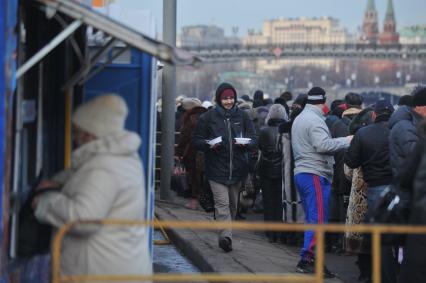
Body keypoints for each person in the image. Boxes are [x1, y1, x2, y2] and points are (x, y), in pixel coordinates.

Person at [33, 94, 152, 281]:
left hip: (99, 273)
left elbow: (84, 219)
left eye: (77, 131)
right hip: (118, 268)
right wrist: (60, 182)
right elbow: (86, 175)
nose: (74, 137)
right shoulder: (121, 157)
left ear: (90, 133)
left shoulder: (104, 167)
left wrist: (45, 200)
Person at [291, 87, 351, 277]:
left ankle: (311, 260)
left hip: (303, 173)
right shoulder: (315, 119)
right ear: (323, 102)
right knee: (318, 220)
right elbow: (322, 145)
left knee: (312, 219)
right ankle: (307, 260)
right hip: (314, 174)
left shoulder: (300, 117)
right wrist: (347, 140)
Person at [193, 83, 257, 252]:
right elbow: (197, 140)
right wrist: (209, 145)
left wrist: (246, 144)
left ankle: (226, 230)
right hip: (216, 169)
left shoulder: (243, 117)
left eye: (231, 98)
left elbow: (254, 139)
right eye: (225, 98)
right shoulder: (208, 117)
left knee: (232, 206)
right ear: (219, 99)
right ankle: (225, 237)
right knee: (222, 204)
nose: (228, 101)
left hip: (237, 170)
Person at [345, 100, 396, 283]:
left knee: (373, 234)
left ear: (374, 115)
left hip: (374, 187)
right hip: (398, 188)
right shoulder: (399, 131)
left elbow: (351, 161)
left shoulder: (363, 133)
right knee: (395, 234)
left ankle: (371, 274)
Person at [257, 104, 287, 242]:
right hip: (282, 170)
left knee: (268, 201)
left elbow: (260, 147)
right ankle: (279, 231)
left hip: (266, 169)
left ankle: (270, 232)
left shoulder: (264, 130)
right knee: (279, 202)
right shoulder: (286, 131)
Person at [176, 98, 207, 209]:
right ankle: (204, 201)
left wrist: (179, 152)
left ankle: (194, 202)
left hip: (191, 152)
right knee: (202, 177)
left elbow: (184, 137)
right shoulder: (207, 116)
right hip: (206, 151)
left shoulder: (190, 118)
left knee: (193, 177)